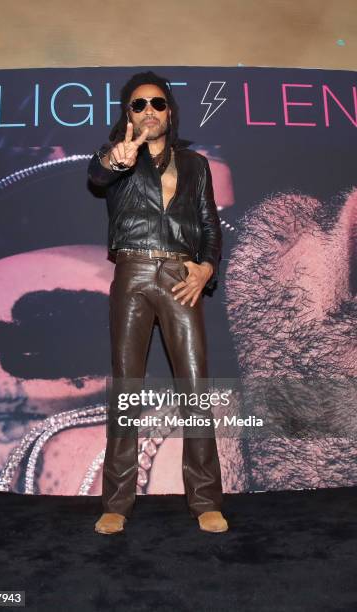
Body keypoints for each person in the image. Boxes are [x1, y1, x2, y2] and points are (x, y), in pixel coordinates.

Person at [87, 70, 228, 535]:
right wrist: (116, 158)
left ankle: (206, 499)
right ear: (127, 113)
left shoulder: (195, 165)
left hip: (179, 276)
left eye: (158, 104)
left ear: (170, 110)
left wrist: (206, 268)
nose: (149, 111)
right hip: (131, 273)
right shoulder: (118, 158)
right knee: (127, 388)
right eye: (139, 104)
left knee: (195, 387)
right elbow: (98, 175)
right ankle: (117, 503)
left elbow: (210, 226)